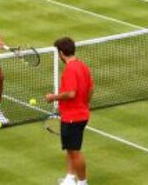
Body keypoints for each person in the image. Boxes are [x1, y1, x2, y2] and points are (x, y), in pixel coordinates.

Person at [46, 37, 94, 185]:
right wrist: (85, 104)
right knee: (70, 149)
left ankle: (82, 182)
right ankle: (69, 178)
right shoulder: (82, 66)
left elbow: (71, 93)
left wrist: (53, 97)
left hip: (73, 117)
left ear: (61, 53)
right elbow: (91, 89)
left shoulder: (70, 70)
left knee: (75, 152)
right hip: (79, 114)